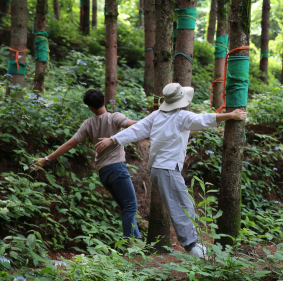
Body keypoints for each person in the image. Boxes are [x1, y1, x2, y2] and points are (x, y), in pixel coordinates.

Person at [94, 83, 247, 258]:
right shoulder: (181, 116)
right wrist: (231, 115)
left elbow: (137, 129)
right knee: (182, 207)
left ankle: (193, 245)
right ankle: (192, 248)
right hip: (166, 170)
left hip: (158, 170)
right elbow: (203, 119)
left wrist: (113, 139)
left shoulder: (157, 116)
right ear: (181, 102)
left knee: (183, 205)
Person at [31, 89, 141, 239]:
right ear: (104, 99)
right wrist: (149, 122)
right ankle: (131, 245)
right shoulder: (115, 117)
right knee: (130, 207)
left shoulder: (88, 124)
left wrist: (46, 159)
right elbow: (132, 125)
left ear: (90, 107)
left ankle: (137, 242)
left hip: (104, 172)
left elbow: (69, 144)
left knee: (126, 207)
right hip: (117, 168)